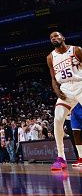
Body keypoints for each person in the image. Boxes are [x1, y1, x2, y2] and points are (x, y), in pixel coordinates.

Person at [47, 31, 82, 170]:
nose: (54, 38)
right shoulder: (50, 57)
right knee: (58, 118)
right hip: (66, 88)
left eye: (56, 36)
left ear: (63, 37)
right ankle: (61, 158)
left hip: (80, 84)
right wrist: (57, 90)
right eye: (51, 38)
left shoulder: (76, 50)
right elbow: (53, 78)